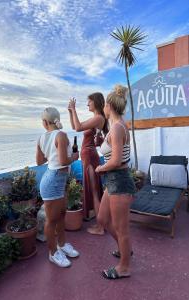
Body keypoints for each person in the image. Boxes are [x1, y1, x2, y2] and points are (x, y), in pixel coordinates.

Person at [95, 85, 136, 279]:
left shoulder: (118, 128)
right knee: (102, 219)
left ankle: (124, 267)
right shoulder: (115, 127)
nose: (103, 108)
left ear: (109, 106)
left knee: (121, 229)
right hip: (113, 181)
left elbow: (116, 161)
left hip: (119, 181)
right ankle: (124, 249)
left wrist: (101, 168)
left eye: (104, 105)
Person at [36, 107, 80, 268]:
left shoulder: (42, 137)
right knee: (51, 220)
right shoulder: (60, 135)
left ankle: (62, 244)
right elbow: (63, 161)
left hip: (56, 179)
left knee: (61, 215)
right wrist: (75, 157)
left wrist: (51, 154)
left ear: (45, 122)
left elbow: (39, 161)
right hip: (53, 180)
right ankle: (53, 253)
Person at [68, 93, 108, 235]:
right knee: (94, 190)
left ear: (95, 103)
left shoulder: (98, 118)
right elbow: (75, 126)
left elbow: (78, 128)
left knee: (95, 191)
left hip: (90, 157)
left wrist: (74, 109)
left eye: (89, 102)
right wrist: (70, 111)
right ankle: (100, 223)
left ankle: (100, 227)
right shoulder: (95, 119)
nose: (87, 104)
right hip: (89, 157)